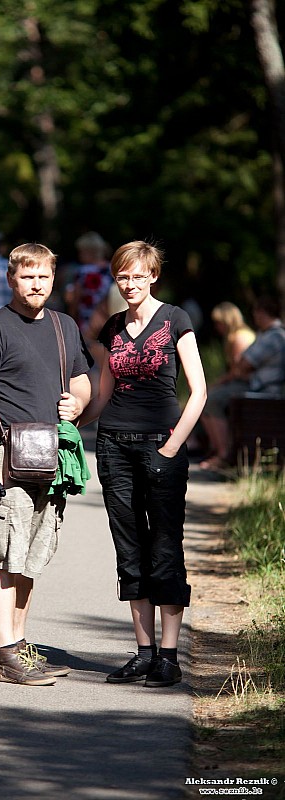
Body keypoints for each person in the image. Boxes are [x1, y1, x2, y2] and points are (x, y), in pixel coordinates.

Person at [0, 242, 93, 686]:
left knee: (31, 557)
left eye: (43, 276)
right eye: (27, 276)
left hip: (51, 457)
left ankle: (20, 649)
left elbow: (81, 380)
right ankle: (5, 654)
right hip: (7, 457)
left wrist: (78, 403)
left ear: (53, 278)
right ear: (11, 279)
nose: (36, 284)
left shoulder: (64, 326)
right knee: (2, 555)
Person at [79, 240, 206, 688]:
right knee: (128, 546)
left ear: (153, 275)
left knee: (165, 544)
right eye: (123, 276)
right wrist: (74, 417)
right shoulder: (113, 326)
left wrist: (172, 447)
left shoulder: (176, 320)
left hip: (160, 443)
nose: (130, 284)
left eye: (138, 276)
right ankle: (143, 652)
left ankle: (169, 655)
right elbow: (105, 393)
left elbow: (199, 392)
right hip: (113, 445)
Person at [200, 295, 285, 470]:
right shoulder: (267, 335)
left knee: (212, 400)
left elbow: (244, 363)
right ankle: (220, 451)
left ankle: (224, 455)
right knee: (212, 398)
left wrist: (240, 368)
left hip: (264, 391)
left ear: (261, 313)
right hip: (257, 386)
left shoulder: (274, 337)